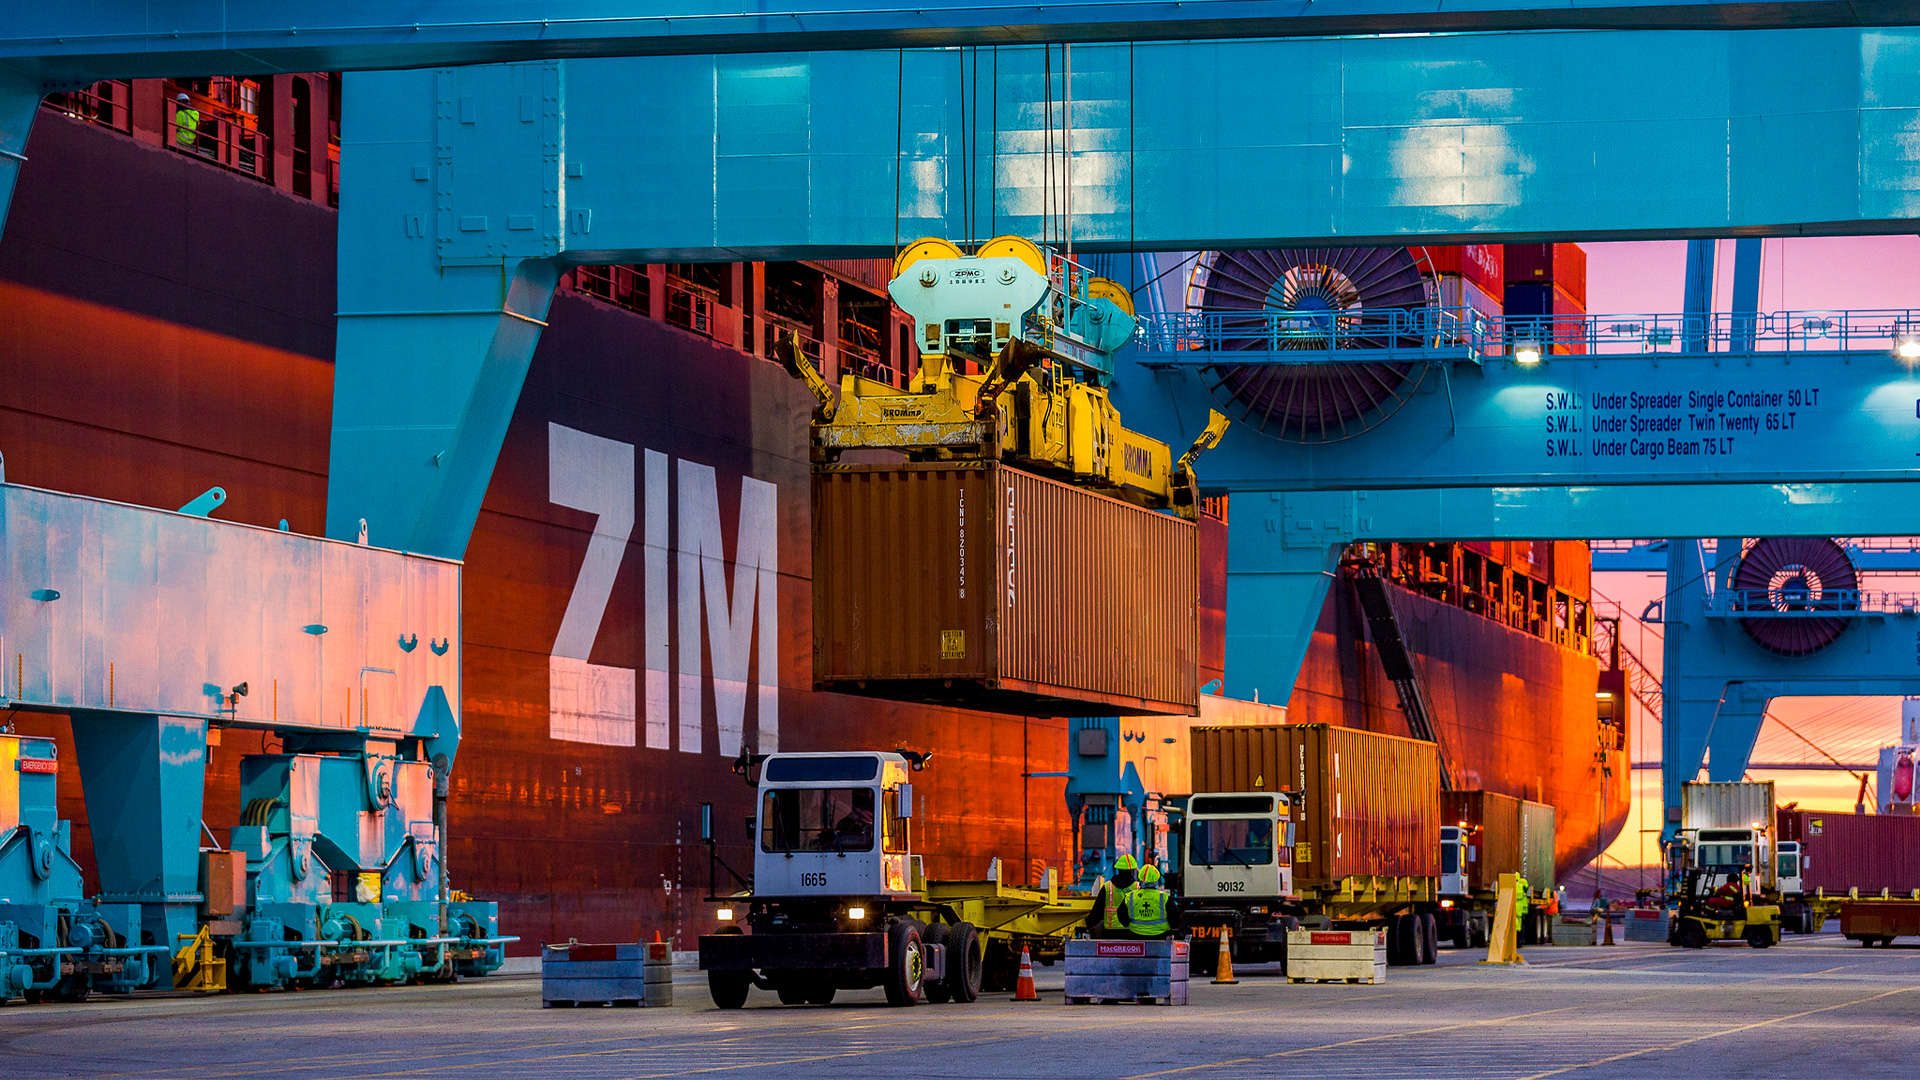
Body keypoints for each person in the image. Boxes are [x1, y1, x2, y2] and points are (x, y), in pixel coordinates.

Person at [1086, 854, 1137, 938]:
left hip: (1110, 932)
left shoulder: (1107, 887)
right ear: (1132, 870)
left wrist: (1088, 923)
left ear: (1118, 869)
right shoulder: (1137, 888)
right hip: (1130, 931)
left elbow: (1097, 911)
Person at [1120, 863, 1172, 939]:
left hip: (1136, 935)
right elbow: (1174, 915)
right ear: (1156, 879)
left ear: (1140, 879)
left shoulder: (1130, 896)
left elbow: (1121, 914)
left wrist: (1128, 924)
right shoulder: (1164, 897)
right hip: (1160, 935)